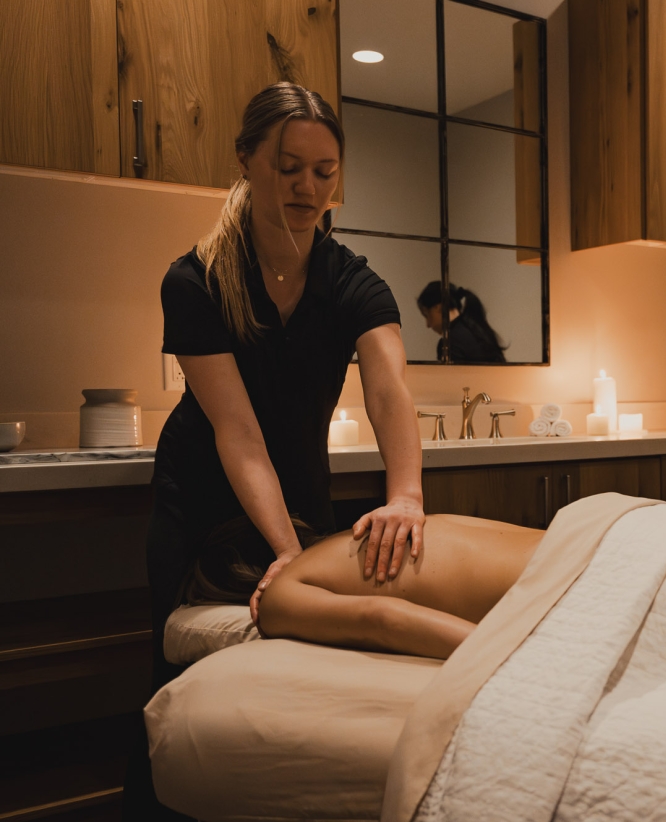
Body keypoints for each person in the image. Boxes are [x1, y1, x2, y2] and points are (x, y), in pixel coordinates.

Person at [127, 82, 426, 819]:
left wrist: (407, 496)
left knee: (297, 685)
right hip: (200, 500)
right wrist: (287, 551)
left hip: (298, 492)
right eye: (289, 166)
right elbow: (238, 432)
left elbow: (390, 390)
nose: (307, 187)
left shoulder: (349, 280)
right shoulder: (195, 281)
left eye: (324, 172)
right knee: (183, 697)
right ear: (247, 162)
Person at [184, 513, 545, 659]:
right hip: (586, 528)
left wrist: (512, 656)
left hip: (564, 581)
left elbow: (383, 619)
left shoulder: (279, 595)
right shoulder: (381, 525)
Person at [417, 280, 508, 363]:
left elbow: (452, 380)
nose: (428, 325)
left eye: (427, 315)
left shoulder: (450, 342)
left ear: (438, 307)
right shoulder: (479, 330)